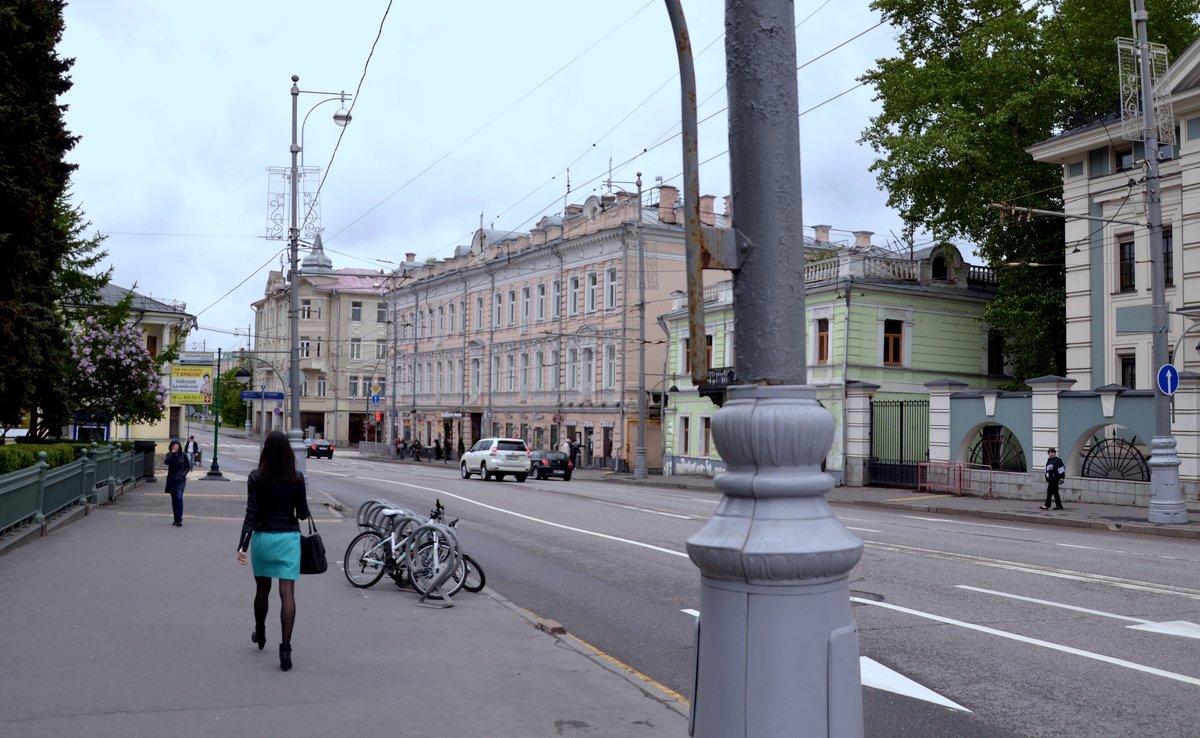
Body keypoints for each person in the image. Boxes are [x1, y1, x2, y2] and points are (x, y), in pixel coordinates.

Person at [236, 430, 312, 671]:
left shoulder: (256, 477)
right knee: (287, 593)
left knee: (262, 589)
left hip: (263, 539)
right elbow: (302, 513)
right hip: (288, 540)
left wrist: (242, 546)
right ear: (289, 452)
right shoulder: (297, 478)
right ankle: (285, 649)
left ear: (265, 450)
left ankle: (260, 633)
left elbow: (251, 514)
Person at [163, 440, 192, 526]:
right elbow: (166, 462)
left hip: (180, 480)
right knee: (174, 499)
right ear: (171, 446)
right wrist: (172, 453)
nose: (175, 446)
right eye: (173, 445)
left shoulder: (183, 455)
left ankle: (179, 519)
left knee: (179, 497)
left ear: (179, 446)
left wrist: (183, 474)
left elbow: (188, 466)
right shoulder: (169, 455)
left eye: (176, 445)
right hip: (171, 480)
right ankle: (176, 518)